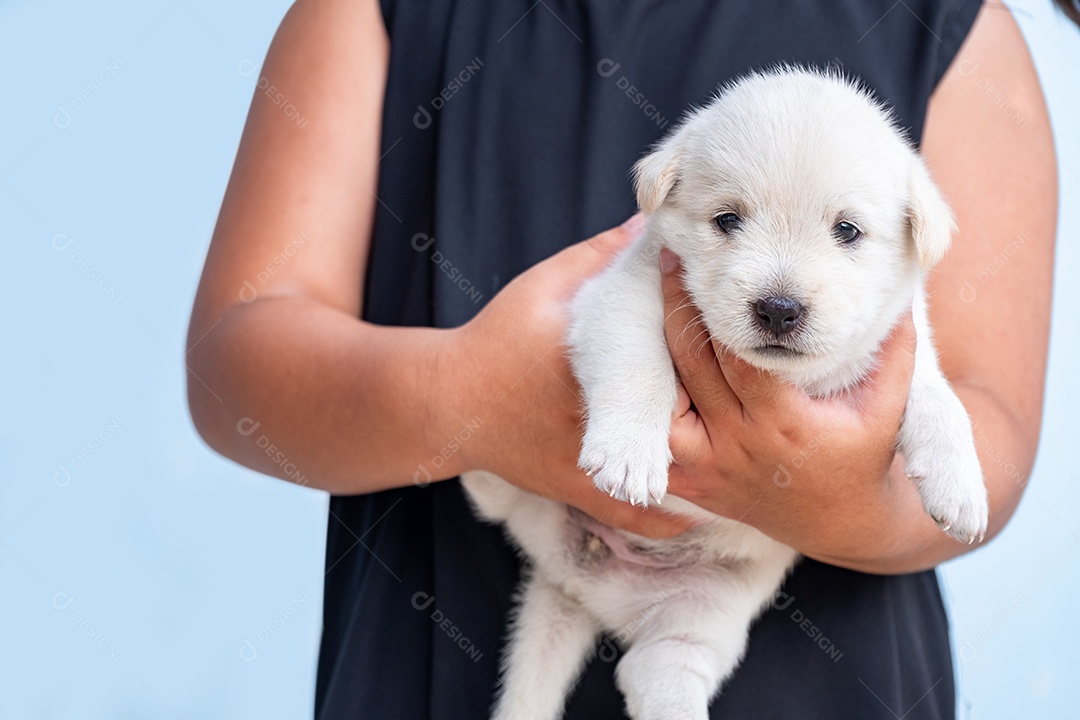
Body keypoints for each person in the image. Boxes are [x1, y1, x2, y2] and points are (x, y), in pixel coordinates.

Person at [186, 0, 1057, 717]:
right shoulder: (370, 13)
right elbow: (233, 371)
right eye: (729, 222)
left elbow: (990, 441)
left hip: (826, 681)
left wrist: (823, 495)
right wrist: (465, 404)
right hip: (432, 662)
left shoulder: (953, 27)